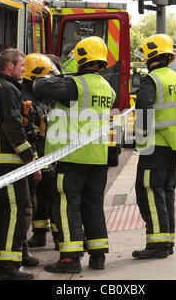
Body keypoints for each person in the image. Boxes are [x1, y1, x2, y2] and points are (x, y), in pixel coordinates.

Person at [33, 36, 116, 273]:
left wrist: (59, 71)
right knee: (93, 206)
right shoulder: (107, 88)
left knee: (66, 206)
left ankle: (69, 259)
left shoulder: (73, 85)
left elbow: (39, 86)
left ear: (81, 58)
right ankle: (98, 255)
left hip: (73, 158)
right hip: (98, 159)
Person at [132, 34, 176, 259]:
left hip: (155, 145)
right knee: (166, 192)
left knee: (150, 191)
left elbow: (143, 108)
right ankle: (167, 241)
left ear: (151, 55)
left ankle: (157, 245)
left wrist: (141, 139)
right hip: (175, 144)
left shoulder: (151, 80)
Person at [0, 48, 41, 279]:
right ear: (9, 66)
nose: (24, 69)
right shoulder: (7, 90)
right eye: (22, 65)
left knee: (3, 213)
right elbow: (14, 128)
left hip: (1, 163)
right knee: (18, 210)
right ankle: (9, 266)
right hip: (10, 164)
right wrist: (31, 161)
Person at [21, 54, 60, 252]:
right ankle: (40, 234)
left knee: (50, 196)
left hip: (47, 154)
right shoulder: (29, 99)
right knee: (40, 198)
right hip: (39, 155)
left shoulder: (44, 96)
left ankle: (56, 235)